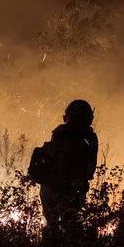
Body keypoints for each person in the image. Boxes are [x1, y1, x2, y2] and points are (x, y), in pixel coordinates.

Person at [37, 100, 98, 237]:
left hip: (51, 185)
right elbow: (90, 168)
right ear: (89, 118)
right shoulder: (90, 137)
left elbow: (49, 160)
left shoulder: (60, 132)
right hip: (73, 188)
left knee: (52, 224)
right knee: (70, 223)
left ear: (68, 116)